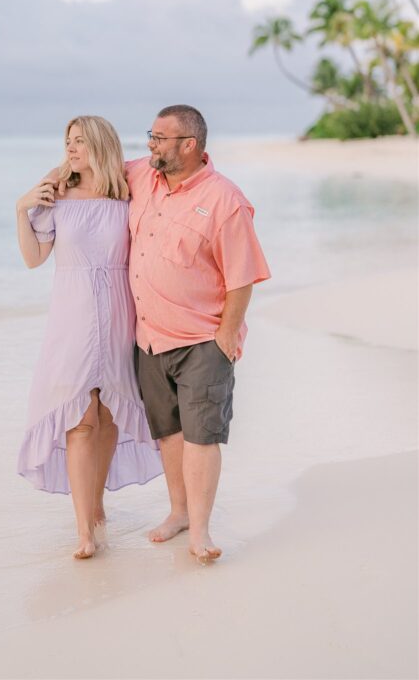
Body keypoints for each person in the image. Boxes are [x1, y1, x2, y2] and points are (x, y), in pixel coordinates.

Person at [127, 104, 271, 563]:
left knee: (201, 436)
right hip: (149, 337)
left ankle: (201, 531)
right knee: (168, 434)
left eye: (159, 137)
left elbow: (242, 276)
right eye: (149, 134)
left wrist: (227, 336)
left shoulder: (226, 200)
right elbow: (95, 160)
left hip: (202, 340)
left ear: (188, 145)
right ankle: (178, 512)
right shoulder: (141, 177)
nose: (150, 143)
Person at [16, 116, 161, 560]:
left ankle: (97, 510)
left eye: (79, 141)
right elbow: (33, 258)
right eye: (67, 141)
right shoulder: (56, 193)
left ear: (100, 144)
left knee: (111, 413)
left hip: (121, 310)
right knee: (80, 418)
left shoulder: (129, 193)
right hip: (73, 314)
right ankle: (83, 529)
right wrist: (20, 208)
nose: (71, 148)